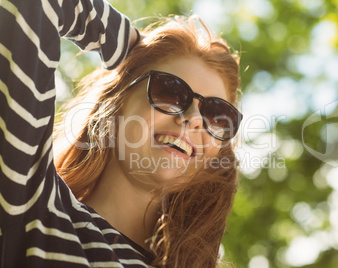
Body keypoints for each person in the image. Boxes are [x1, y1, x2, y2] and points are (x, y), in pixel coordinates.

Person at [0, 0, 242, 267]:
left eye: (217, 114)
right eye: (170, 92)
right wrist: (133, 45)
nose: (195, 119)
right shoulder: (31, 202)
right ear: (116, 102)